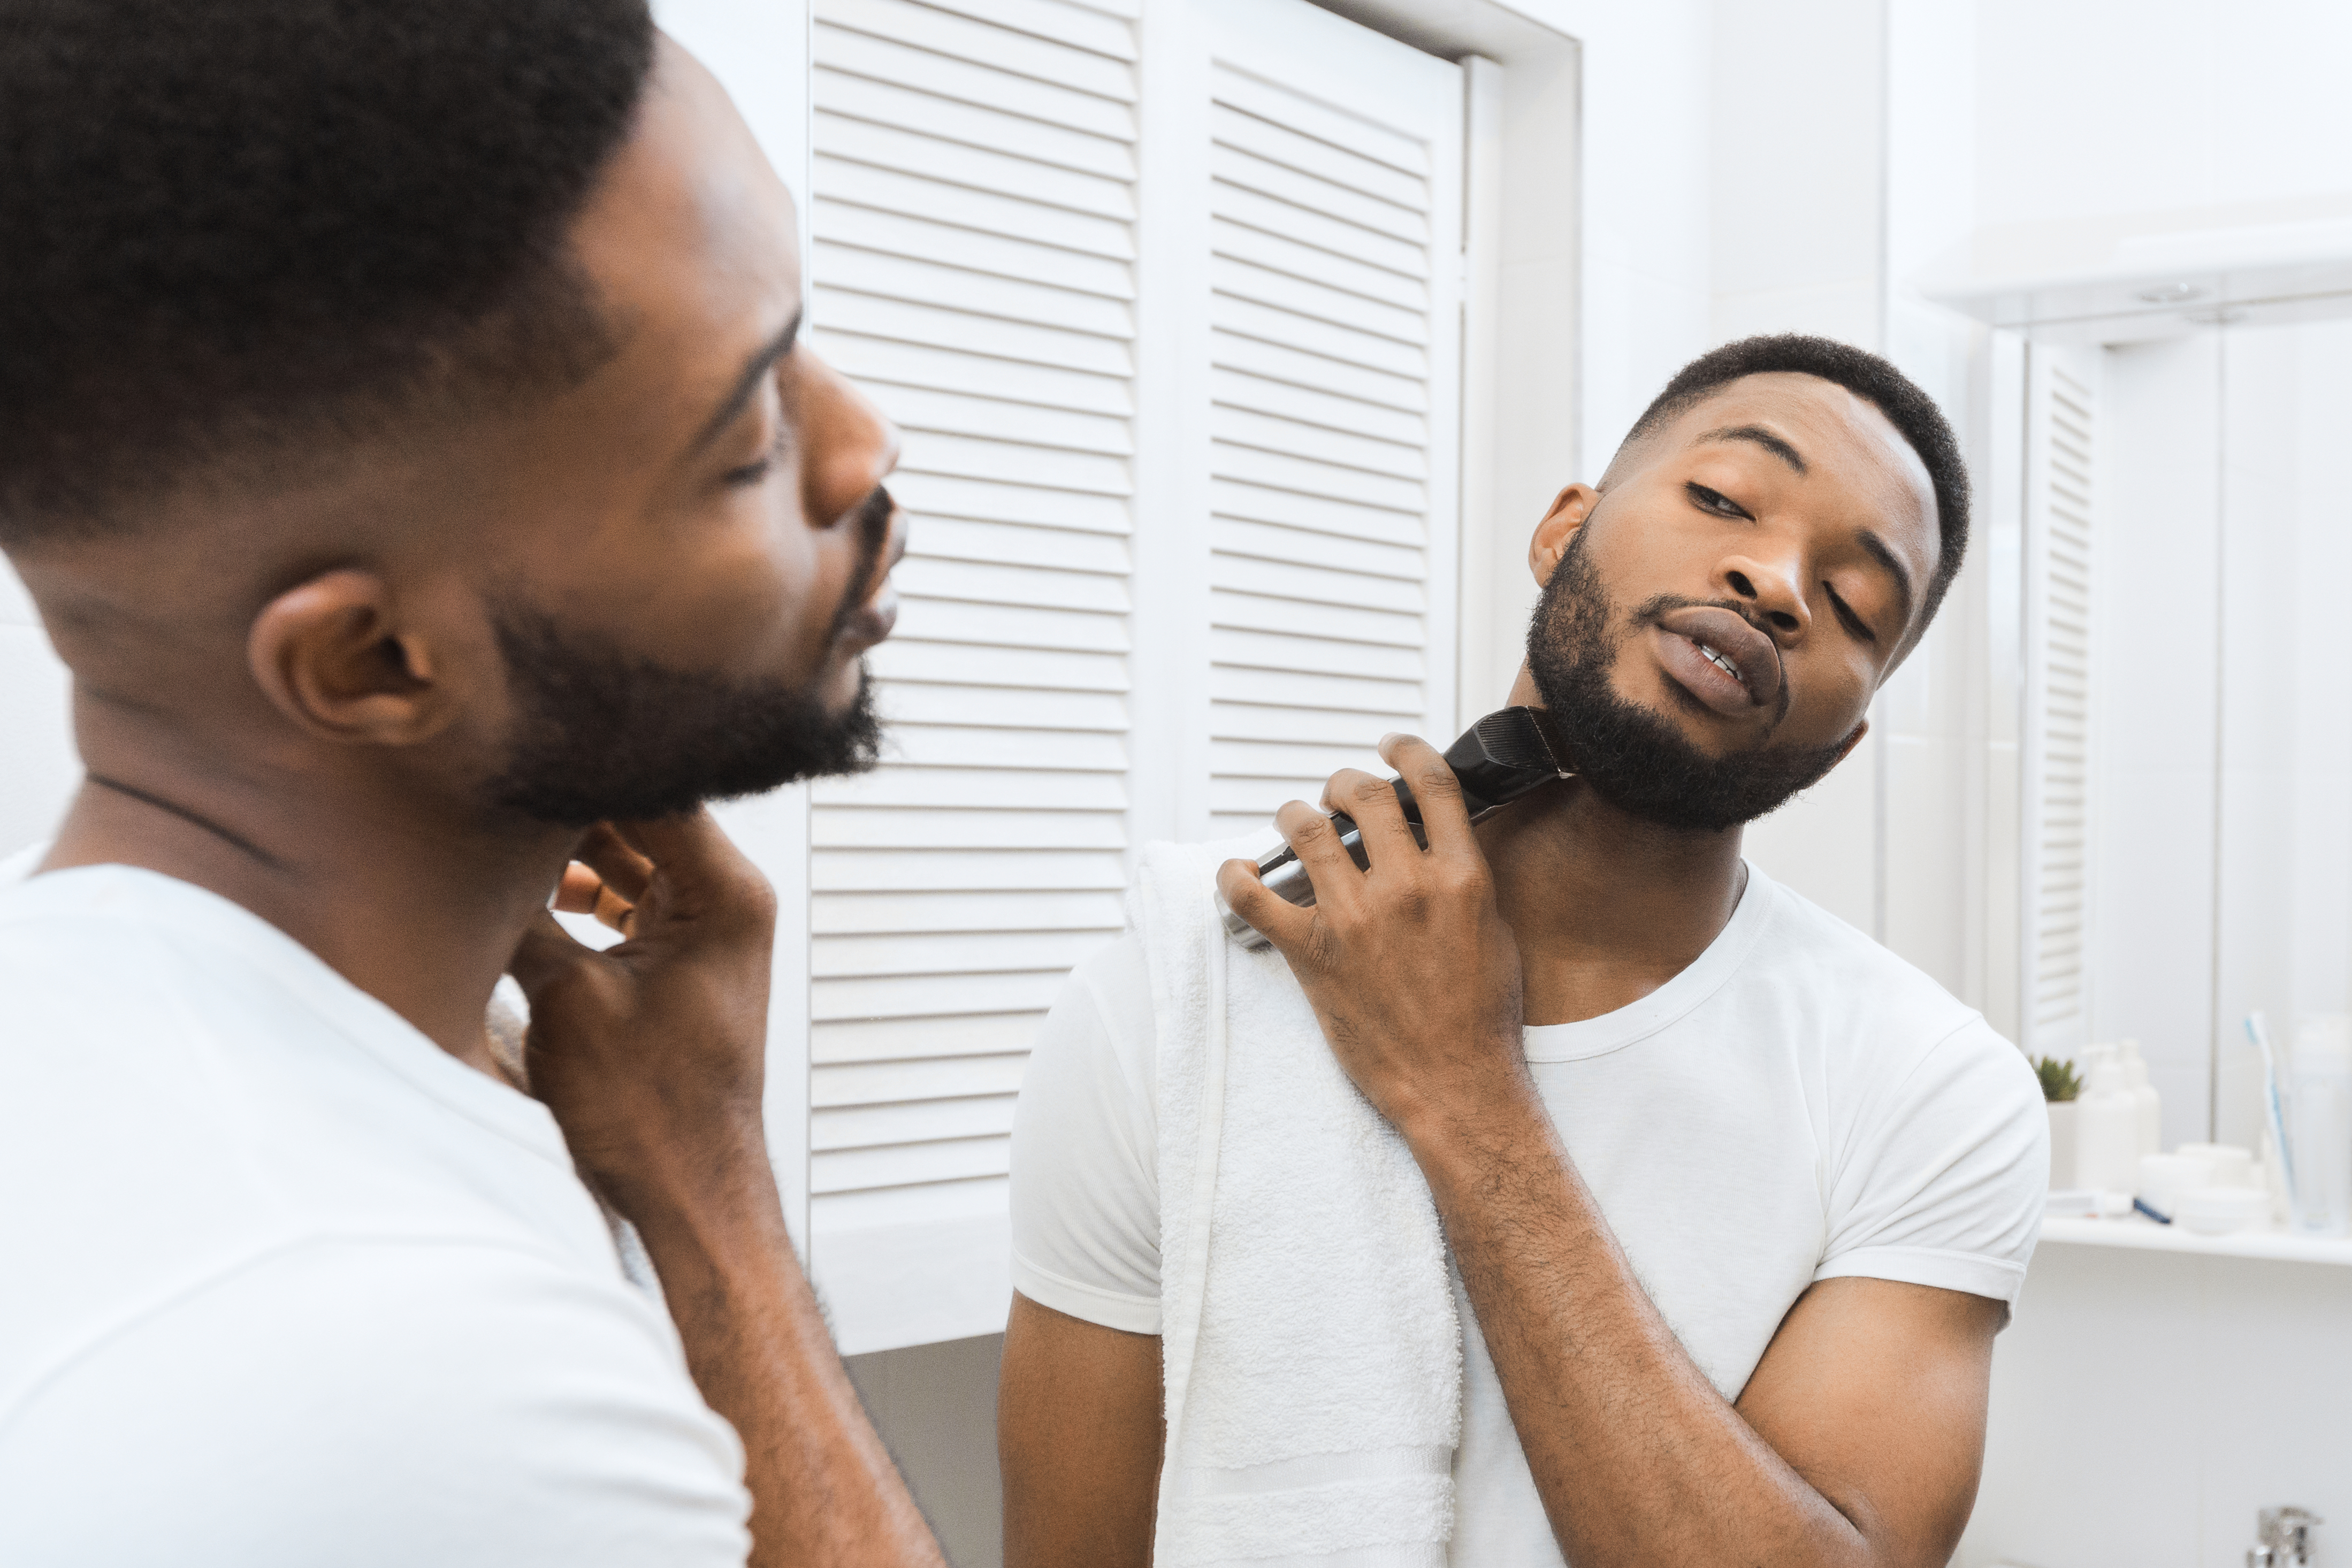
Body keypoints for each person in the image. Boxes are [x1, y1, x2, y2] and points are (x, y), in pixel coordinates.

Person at [0, 4, 944, 1564]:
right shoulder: (400, 1367)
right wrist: (718, 1207)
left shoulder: (87, 1032)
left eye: (797, 339)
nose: (858, 448)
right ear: (373, 664)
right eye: (742, 434)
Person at [999, 336, 2050, 1567]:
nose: (1773, 578)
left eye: (1854, 602)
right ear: (1563, 532)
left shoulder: (1931, 1090)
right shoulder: (1194, 978)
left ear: (1842, 738)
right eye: (1721, 498)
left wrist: (1461, 1085)